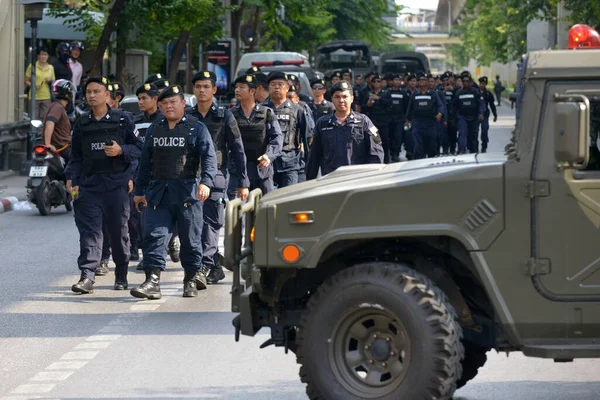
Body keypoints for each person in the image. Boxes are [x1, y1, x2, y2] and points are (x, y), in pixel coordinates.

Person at [131, 85, 218, 299]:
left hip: (188, 193)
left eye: (173, 102)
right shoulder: (155, 128)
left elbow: (209, 158)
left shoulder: (196, 128)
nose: (169, 106)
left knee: (190, 240)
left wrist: (206, 182)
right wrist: (139, 190)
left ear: (183, 104)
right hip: (159, 193)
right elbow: (145, 162)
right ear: (160, 106)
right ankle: (152, 281)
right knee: (155, 236)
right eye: (165, 103)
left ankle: (190, 278)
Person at [68, 76, 142, 294]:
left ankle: (121, 274)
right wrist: (72, 180)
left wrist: (122, 151)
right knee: (89, 231)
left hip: (116, 185)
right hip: (90, 186)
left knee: (118, 233)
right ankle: (87, 276)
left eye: (96, 91)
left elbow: (140, 148)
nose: (91, 95)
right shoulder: (82, 123)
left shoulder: (122, 120)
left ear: (107, 95)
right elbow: (76, 156)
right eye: (88, 92)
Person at [189, 71, 249, 284]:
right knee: (193, 224)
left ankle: (204, 267)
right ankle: (213, 265)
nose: (202, 90)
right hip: (190, 177)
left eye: (206, 86)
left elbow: (238, 149)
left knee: (211, 223)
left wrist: (243, 182)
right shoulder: (187, 115)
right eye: (198, 86)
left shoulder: (225, 116)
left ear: (214, 90)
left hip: (216, 175)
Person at [306, 81, 384, 179]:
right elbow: (314, 156)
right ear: (332, 99)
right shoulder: (322, 123)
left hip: (357, 179)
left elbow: (376, 151)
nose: (341, 100)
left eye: (345, 97)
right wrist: (310, 180)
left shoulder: (364, 121)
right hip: (330, 179)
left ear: (352, 98)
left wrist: (373, 177)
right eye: (337, 97)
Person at [228, 74, 282, 198]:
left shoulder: (266, 112)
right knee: (237, 212)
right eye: (236, 87)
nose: (237, 90)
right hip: (238, 171)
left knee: (265, 210)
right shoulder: (230, 115)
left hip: (262, 171)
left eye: (242, 87)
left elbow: (277, 137)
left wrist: (269, 156)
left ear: (252, 91)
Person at [263, 72, 307, 188]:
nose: (276, 87)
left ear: (287, 88)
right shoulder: (262, 109)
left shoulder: (297, 110)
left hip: (290, 162)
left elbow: (306, 136)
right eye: (273, 84)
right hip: (266, 162)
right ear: (268, 88)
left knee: (288, 199)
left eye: (280, 84)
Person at [405, 73, 445, 159]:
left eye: (424, 80)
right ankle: (419, 163)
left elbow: (440, 105)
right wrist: (408, 121)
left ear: (427, 82)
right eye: (420, 80)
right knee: (418, 146)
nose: (421, 81)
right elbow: (410, 108)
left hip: (430, 123)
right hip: (417, 123)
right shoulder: (415, 94)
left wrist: (440, 114)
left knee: (431, 146)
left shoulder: (433, 94)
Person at [362, 74, 392, 163]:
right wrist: (368, 105)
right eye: (374, 81)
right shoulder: (368, 93)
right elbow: (363, 106)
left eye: (378, 81)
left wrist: (379, 98)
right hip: (372, 121)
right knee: (373, 140)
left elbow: (390, 103)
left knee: (385, 141)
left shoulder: (386, 93)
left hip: (383, 121)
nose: (376, 83)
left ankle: (386, 160)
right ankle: (374, 160)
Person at [43, 79, 74, 164]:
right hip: (63, 148)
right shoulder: (58, 107)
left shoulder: (56, 106)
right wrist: (48, 144)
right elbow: (50, 122)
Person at [453, 72, 485, 154]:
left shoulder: (475, 92)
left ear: (470, 82)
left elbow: (481, 104)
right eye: (463, 81)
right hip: (462, 117)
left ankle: (474, 151)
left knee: (473, 136)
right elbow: (454, 106)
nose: (465, 83)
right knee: (462, 133)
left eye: (467, 81)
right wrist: (454, 117)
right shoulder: (458, 93)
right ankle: (462, 150)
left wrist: (481, 113)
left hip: (474, 118)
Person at [25, 48, 55, 119]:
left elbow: (54, 82)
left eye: (45, 54)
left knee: (45, 119)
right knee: (33, 119)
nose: (43, 57)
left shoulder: (51, 68)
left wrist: (50, 80)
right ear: (38, 56)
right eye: (42, 54)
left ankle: (43, 131)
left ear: (48, 56)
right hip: (34, 97)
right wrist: (33, 86)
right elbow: (26, 81)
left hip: (46, 97)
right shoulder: (32, 66)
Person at [478, 76, 498, 153]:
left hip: (485, 115)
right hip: (476, 115)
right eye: (481, 84)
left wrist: (495, 115)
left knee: (484, 130)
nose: (482, 85)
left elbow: (492, 105)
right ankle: (473, 146)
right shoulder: (476, 92)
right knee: (474, 132)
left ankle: (484, 146)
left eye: (484, 84)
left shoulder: (488, 94)